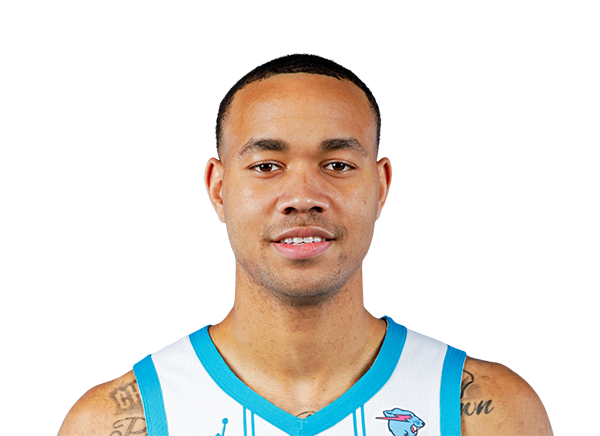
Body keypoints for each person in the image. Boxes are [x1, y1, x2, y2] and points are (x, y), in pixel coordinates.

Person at [59, 53, 552, 436]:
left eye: (337, 165)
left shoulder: (489, 414)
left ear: (380, 185)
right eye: (266, 166)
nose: (302, 197)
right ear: (218, 189)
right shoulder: (116, 422)